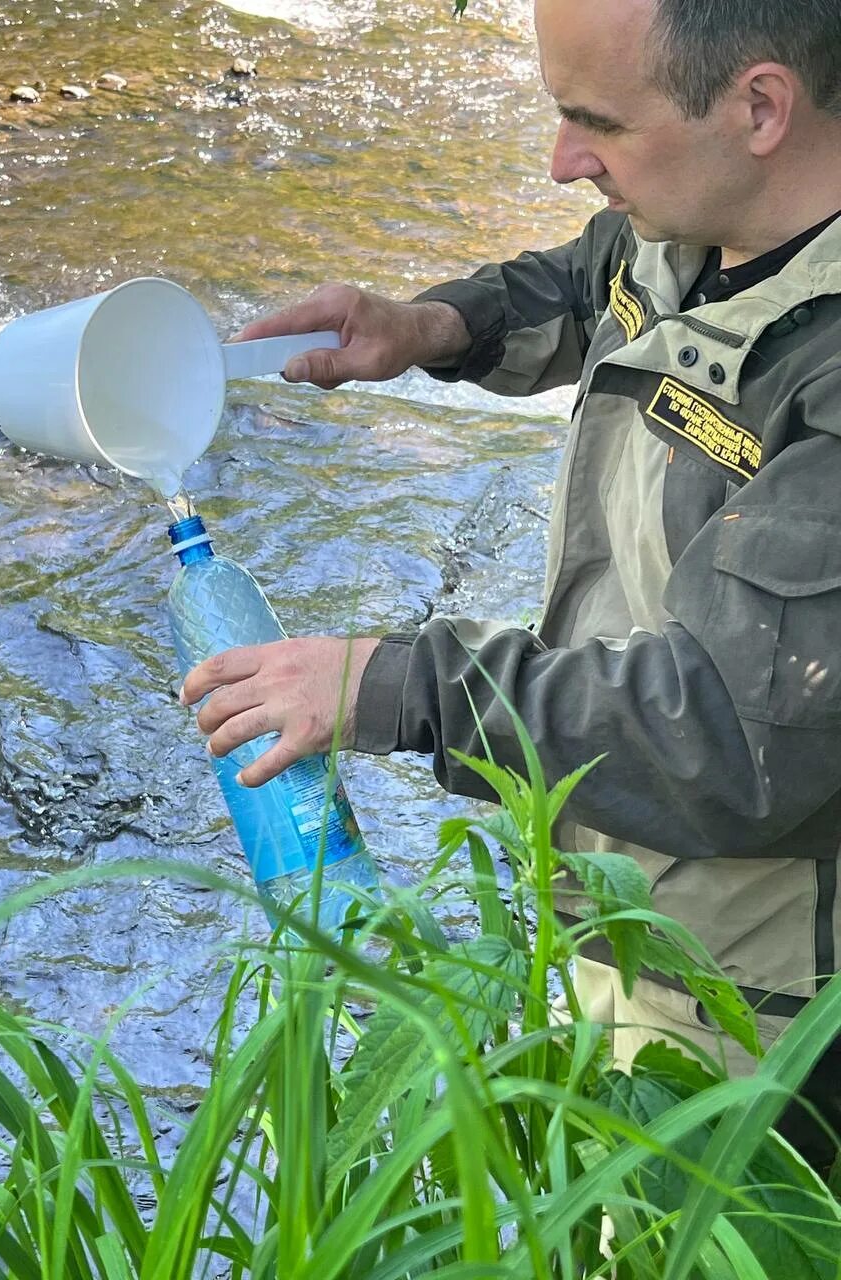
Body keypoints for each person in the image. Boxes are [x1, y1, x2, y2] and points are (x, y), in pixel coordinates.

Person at [181, 0, 841, 1166]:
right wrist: (431, 326)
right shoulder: (704, 210)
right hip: (628, 888)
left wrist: (393, 684)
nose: (560, 162)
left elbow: (731, 735)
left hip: (771, 1000)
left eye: (595, 124)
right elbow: (603, 284)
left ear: (760, 107)